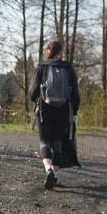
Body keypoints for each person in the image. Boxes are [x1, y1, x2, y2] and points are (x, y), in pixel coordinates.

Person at [30, 38, 80, 190]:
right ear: (60, 52)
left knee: (44, 141)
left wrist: (36, 101)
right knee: (58, 141)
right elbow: (76, 94)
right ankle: (55, 175)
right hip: (64, 111)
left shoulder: (42, 67)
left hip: (45, 110)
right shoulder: (68, 68)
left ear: (48, 51)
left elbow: (32, 92)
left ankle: (48, 170)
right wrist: (75, 112)